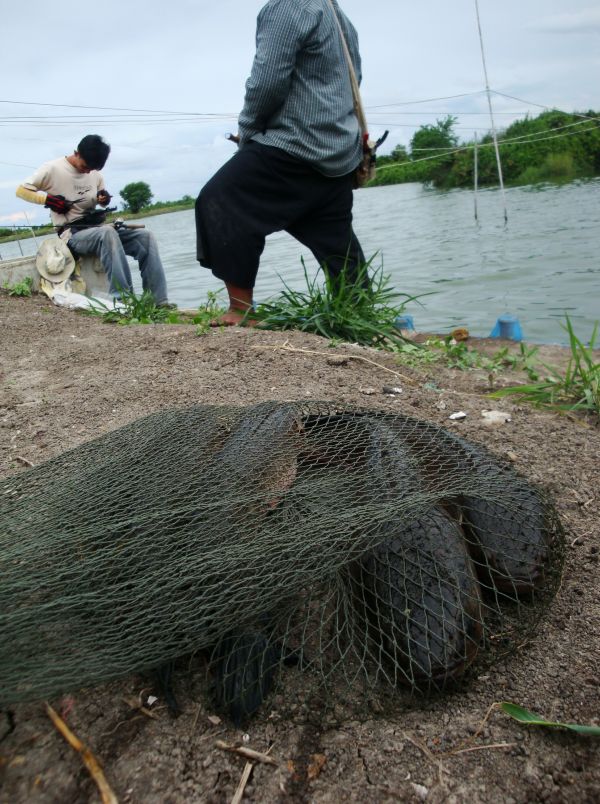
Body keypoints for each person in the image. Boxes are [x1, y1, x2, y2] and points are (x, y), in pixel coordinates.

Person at [195, 0, 366, 326]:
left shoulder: (289, 5)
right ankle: (359, 312)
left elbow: (267, 81)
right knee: (336, 242)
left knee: (221, 198)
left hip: (297, 143)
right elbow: (355, 78)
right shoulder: (339, 18)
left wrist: (247, 134)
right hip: (338, 153)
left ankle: (241, 311)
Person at [16, 135, 170, 305]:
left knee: (145, 236)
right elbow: (22, 190)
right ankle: (125, 301)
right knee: (107, 233)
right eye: (85, 167)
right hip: (71, 235)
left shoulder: (95, 174)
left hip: (98, 228)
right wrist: (48, 200)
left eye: (92, 169)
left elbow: (100, 198)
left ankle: (159, 302)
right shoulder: (52, 168)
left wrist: (103, 200)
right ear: (77, 153)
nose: (88, 172)